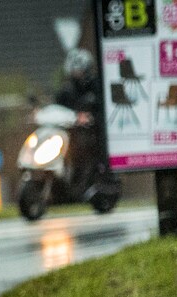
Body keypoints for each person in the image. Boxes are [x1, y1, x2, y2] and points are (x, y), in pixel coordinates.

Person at [54, 48, 118, 205]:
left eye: (79, 69)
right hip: (71, 133)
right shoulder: (68, 89)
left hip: (92, 134)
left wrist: (90, 117)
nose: (76, 73)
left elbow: (102, 108)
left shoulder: (96, 85)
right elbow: (58, 105)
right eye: (73, 69)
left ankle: (94, 181)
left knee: (87, 152)